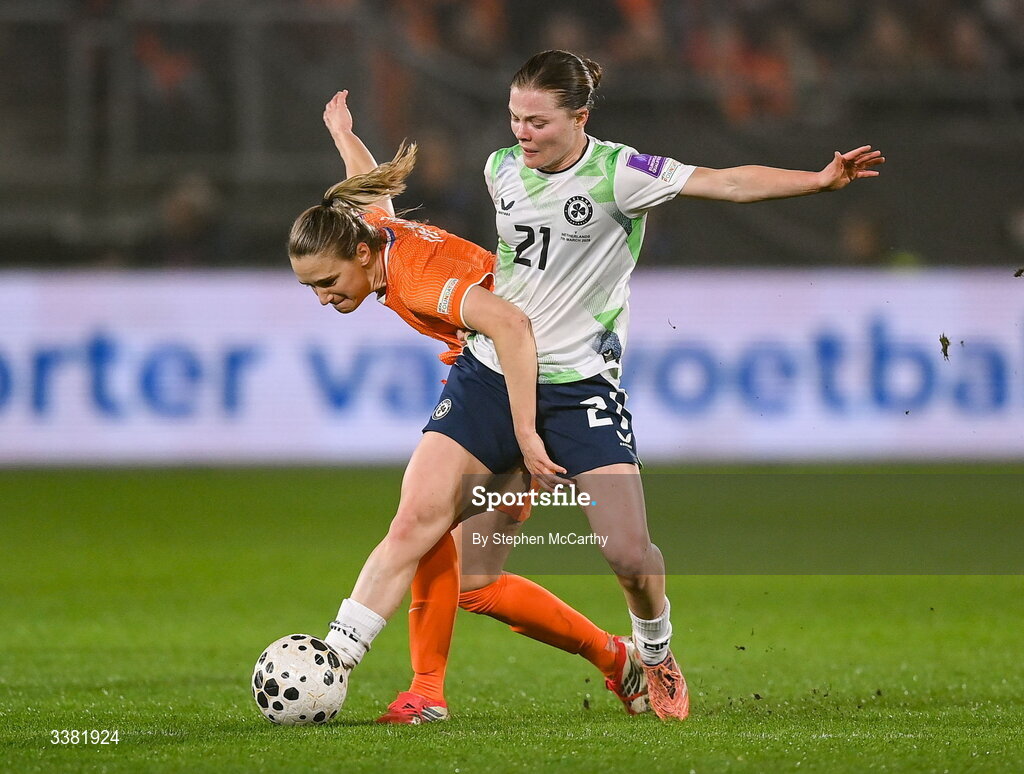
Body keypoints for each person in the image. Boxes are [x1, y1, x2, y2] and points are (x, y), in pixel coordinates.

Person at [328, 50, 884, 723]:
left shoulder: (620, 173)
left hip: (578, 388)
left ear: (579, 117)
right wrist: (344, 135)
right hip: (489, 375)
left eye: (536, 121)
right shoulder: (500, 168)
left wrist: (817, 181)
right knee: (429, 534)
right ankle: (369, 676)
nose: (520, 133)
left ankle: (652, 654)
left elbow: (727, 182)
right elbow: (375, 206)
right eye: (513, 118)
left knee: (625, 553)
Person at [294, 90, 653, 724]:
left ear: (357, 256)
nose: (323, 298)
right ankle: (612, 661)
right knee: (464, 570)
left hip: (536, 386)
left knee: (436, 538)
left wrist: (523, 430)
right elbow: (363, 193)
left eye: (326, 283)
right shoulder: (372, 237)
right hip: (491, 373)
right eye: (311, 288)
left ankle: (375, 675)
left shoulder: (418, 277)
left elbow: (512, 326)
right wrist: (343, 134)